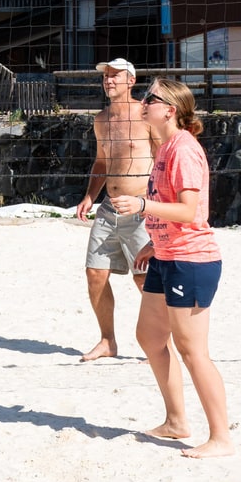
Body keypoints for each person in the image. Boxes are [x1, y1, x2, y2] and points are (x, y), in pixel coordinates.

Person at [112, 77, 233, 459]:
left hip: (192, 261)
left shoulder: (183, 149)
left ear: (170, 109)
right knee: (149, 337)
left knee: (192, 350)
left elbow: (189, 211)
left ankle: (221, 438)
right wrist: (154, 239)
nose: (144, 101)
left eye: (151, 97)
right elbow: (174, 212)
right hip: (168, 255)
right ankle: (177, 421)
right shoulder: (165, 147)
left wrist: (142, 207)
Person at [75, 58, 153, 361]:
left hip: (141, 209)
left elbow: (162, 160)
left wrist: (154, 204)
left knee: (144, 279)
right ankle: (108, 341)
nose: (109, 81)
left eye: (115, 76)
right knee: (95, 274)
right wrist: (89, 196)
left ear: (130, 81)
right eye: (106, 76)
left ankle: (160, 340)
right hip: (109, 209)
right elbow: (102, 162)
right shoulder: (101, 119)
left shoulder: (146, 116)